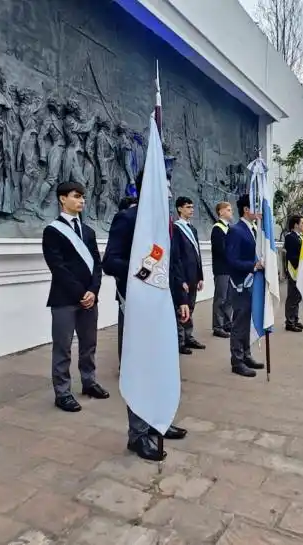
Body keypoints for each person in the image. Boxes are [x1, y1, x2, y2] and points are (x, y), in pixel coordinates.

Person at [101, 171, 187, 461]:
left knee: (162, 364)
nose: (170, 194)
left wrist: (182, 299)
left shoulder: (167, 223)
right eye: (164, 187)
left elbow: (173, 264)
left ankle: (158, 421)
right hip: (137, 305)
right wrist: (145, 268)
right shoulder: (126, 219)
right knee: (140, 367)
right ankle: (138, 434)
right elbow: (110, 261)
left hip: (164, 305)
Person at [42, 181, 108, 413]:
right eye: (76, 196)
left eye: (83, 197)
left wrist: (94, 290)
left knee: (89, 344)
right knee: (63, 347)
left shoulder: (88, 231)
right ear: (62, 199)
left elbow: (97, 265)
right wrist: (81, 293)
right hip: (64, 299)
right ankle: (63, 392)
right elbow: (57, 267)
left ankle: (89, 382)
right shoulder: (52, 231)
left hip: (90, 298)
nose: (81, 201)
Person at [225, 194, 265, 378]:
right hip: (241, 284)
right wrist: (252, 266)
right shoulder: (236, 230)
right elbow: (231, 260)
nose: (259, 211)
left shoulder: (254, 229)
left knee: (247, 322)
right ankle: (237, 360)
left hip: (253, 283)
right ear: (246, 209)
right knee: (239, 323)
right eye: (255, 207)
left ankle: (246, 354)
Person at [172, 196, 205, 355]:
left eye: (192, 207)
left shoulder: (192, 229)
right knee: (181, 310)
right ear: (179, 209)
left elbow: (197, 254)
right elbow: (176, 256)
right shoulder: (176, 228)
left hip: (193, 276)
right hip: (183, 276)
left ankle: (188, 335)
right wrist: (181, 280)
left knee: (190, 308)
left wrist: (200, 276)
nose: (191, 210)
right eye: (187, 207)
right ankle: (179, 341)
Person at [210, 201, 233, 338]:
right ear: (221, 212)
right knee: (221, 298)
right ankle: (218, 326)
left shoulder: (229, 228)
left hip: (230, 269)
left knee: (229, 298)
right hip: (222, 269)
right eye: (228, 210)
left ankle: (227, 323)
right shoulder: (217, 228)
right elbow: (221, 250)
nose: (231, 212)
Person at [283, 215, 303, 332]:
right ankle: (289, 322)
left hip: (300, 269)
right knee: (292, 296)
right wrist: (302, 261)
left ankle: (295, 319)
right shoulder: (290, 237)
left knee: (298, 296)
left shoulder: (300, 237)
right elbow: (292, 255)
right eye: (302, 223)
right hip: (294, 269)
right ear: (296, 225)